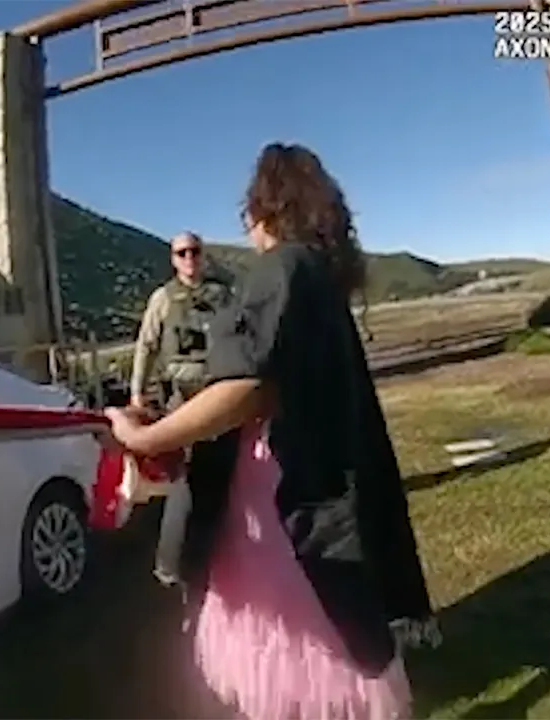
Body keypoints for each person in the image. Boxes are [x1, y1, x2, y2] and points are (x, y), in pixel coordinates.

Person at [105, 143, 436, 720]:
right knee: (331, 622)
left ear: (265, 208)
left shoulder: (281, 268)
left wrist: (146, 439)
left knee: (300, 634)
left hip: (283, 489)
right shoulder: (317, 274)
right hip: (319, 472)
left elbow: (246, 385)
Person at [130, 231, 233, 411]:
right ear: (173, 260)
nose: (189, 257)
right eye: (181, 253)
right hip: (178, 396)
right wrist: (137, 391)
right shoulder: (163, 298)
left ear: (203, 256)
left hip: (219, 389)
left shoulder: (223, 296)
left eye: (195, 251)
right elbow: (147, 345)